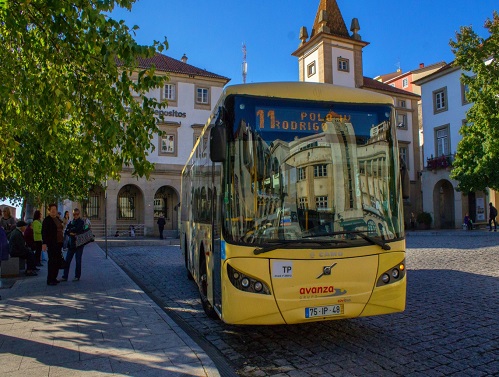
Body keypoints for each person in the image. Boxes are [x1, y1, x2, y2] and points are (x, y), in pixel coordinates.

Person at [42, 204, 64, 285]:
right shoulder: (47, 220)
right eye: (52, 209)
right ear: (49, 210)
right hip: (52, 243)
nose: (54, 211)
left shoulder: (57, 219)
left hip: (59, 243)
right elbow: (44, 232)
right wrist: (44, 243)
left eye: (55, 209)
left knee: (57, 261)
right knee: (52, 261)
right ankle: (50, 279)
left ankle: (54, 277)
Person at [61, 208, 85, 282]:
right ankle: (65, 276)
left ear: (79, 214)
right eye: (74, 214)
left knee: (78, 261)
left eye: (77, 214)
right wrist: (72, 232)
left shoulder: (81, 222)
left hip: (79, 244)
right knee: (67, 260)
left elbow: (78, 230)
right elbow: (67, 231)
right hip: (71, 244)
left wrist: (72, 231)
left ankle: (77, 276)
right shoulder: (71, 222)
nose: (75, 216)